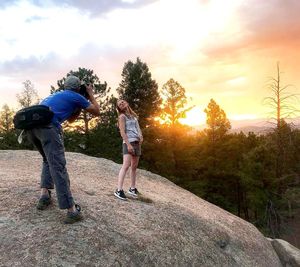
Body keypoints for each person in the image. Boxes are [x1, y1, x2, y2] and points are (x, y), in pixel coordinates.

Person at [26, 75, 100, 224]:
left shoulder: (57, 94)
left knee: (48, 160)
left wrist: (79, 106)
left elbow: (71, 119)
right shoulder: (76, 96)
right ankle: (71, 211)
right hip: (48, 128)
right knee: (58, 167)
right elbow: (97, 111)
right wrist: (90, 93)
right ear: (78, 88)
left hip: (31, 129)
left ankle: (44, 196)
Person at [114, 99, 143, 200]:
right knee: (126, 166)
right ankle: (119, 190)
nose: (122, 103)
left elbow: (138, 128)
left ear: (127, 102)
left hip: (136, 142)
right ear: (119, 108)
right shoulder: (122, 117)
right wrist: (128, 145)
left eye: (122, 102)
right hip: (128, 142)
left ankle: (132, 188)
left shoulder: (133, 116)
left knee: (134, 167)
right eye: (119, 104)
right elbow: (122, 132)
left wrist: (141, 136)